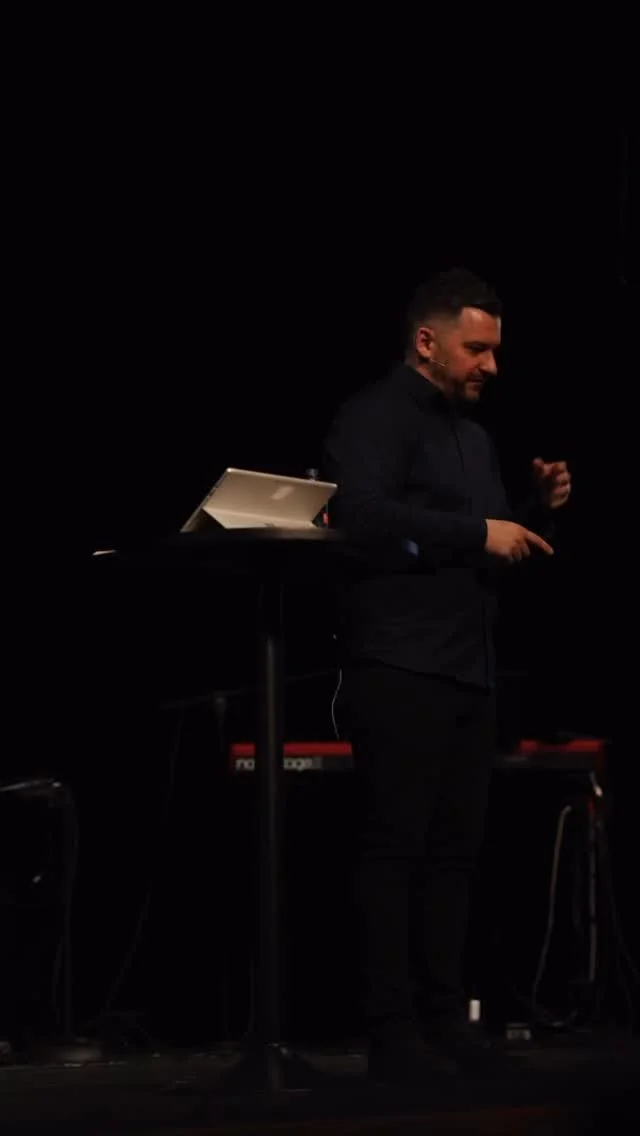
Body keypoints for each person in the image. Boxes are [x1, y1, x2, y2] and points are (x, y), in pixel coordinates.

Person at [321, 267, 571, 1083]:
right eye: (476, 349)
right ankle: (391, 1031)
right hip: (400, 661)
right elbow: (358, 514)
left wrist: (530, 514)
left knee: (455, 855)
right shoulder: (374, 415)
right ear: (427, 343)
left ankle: (443, 1019)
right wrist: (479, 533)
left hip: (468, 664)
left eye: (495, 351)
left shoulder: (474, 439)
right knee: (394, 850)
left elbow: (482, 544)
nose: (490, 366)